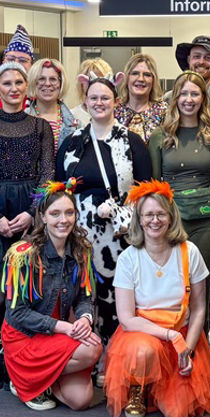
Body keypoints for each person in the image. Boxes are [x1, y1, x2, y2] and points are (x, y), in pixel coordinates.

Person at [0, 61, 54, 390]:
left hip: (30, 215)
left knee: (29, 294)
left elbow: (47, 173)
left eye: (19, 82)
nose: (14, 88)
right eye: (7, 83)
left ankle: (24, 358)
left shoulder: (40, 127)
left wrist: (32, 213)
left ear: (26, 87)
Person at [108, 182, 210, 417]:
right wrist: (168, 335)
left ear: (171, 217)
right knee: (143, 351)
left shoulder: (190, 252)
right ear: (139, 219)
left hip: (182, 335)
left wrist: (188, 348)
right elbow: (126, 318)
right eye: (148, 215)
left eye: (160, 214)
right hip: (143, 334)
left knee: (177, 411)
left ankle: (159, 385)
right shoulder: (128, 258)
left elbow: (199, 308)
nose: (154, 220)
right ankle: (138, 385)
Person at [57, 73, 153, 338]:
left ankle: (116, 350)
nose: (99, 103)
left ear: (116, 101)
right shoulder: (72, 142)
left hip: (120, 234)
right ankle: (87, 347)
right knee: (83, 292)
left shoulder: (131, 142)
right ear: (86, 102)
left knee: (117, 293)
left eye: (105, 98)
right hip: (79, 233)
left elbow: (146, 190)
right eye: (93, 98)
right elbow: (59, 188)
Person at [1, 182, 103, 411]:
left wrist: (84, 318)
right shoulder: (23, 255)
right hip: (27, 336)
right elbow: (17, 314)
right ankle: (22, 377)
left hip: (57, 335)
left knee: (80, 401)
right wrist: (64, 327)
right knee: (91, 350)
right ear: (43, 217)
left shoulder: (81, 250)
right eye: (55, 213)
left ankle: (40, 379)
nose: (63, 220)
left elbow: (84, 297)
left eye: (69, 213)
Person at [148, 71, 210, 268]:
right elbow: (154, 186)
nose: (189, 100)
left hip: (206, 221)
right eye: (183, 94)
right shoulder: (160, 136)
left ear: (203, 98)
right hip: (171, 221)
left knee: (204, 279)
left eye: (195, 94)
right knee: (173, 278)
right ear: (175, 97)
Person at [26, 57, 79, 151]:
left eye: (53, 79)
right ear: (33, 83)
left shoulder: (76, 124)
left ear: (61, 84)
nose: (47, 84)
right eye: (41, 79)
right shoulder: (22, 120)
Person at [113, 53, 167, 141]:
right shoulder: (114, 110)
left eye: (147, 74)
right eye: (135, 73)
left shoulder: (164, 111)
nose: (141, 79)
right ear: (127, 78)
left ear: (153, 80)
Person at [0, 26, 35, 111]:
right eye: (11, 59)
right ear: (3, 62)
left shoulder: (40, 103)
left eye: (23, 60)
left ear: (31, 66)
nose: (16, 64)